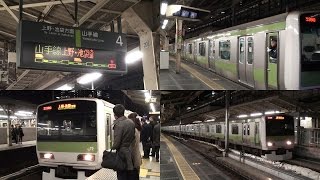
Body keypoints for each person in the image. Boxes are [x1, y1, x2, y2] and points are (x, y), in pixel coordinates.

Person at [112, 104, 136, 180]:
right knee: (129, 174)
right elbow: (133, 138)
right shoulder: (131, 122)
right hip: (130, 152)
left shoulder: (118, 124)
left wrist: (112, 148)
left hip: (121, 155)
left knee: (121, 175)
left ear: (115, 114)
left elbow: (116, 143)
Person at [128, 112, 142, 180]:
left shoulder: (133, 130)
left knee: (133, 176)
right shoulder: (138, 129)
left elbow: (131, 146)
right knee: (136, 175)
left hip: (132, 158)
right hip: (136, 156)